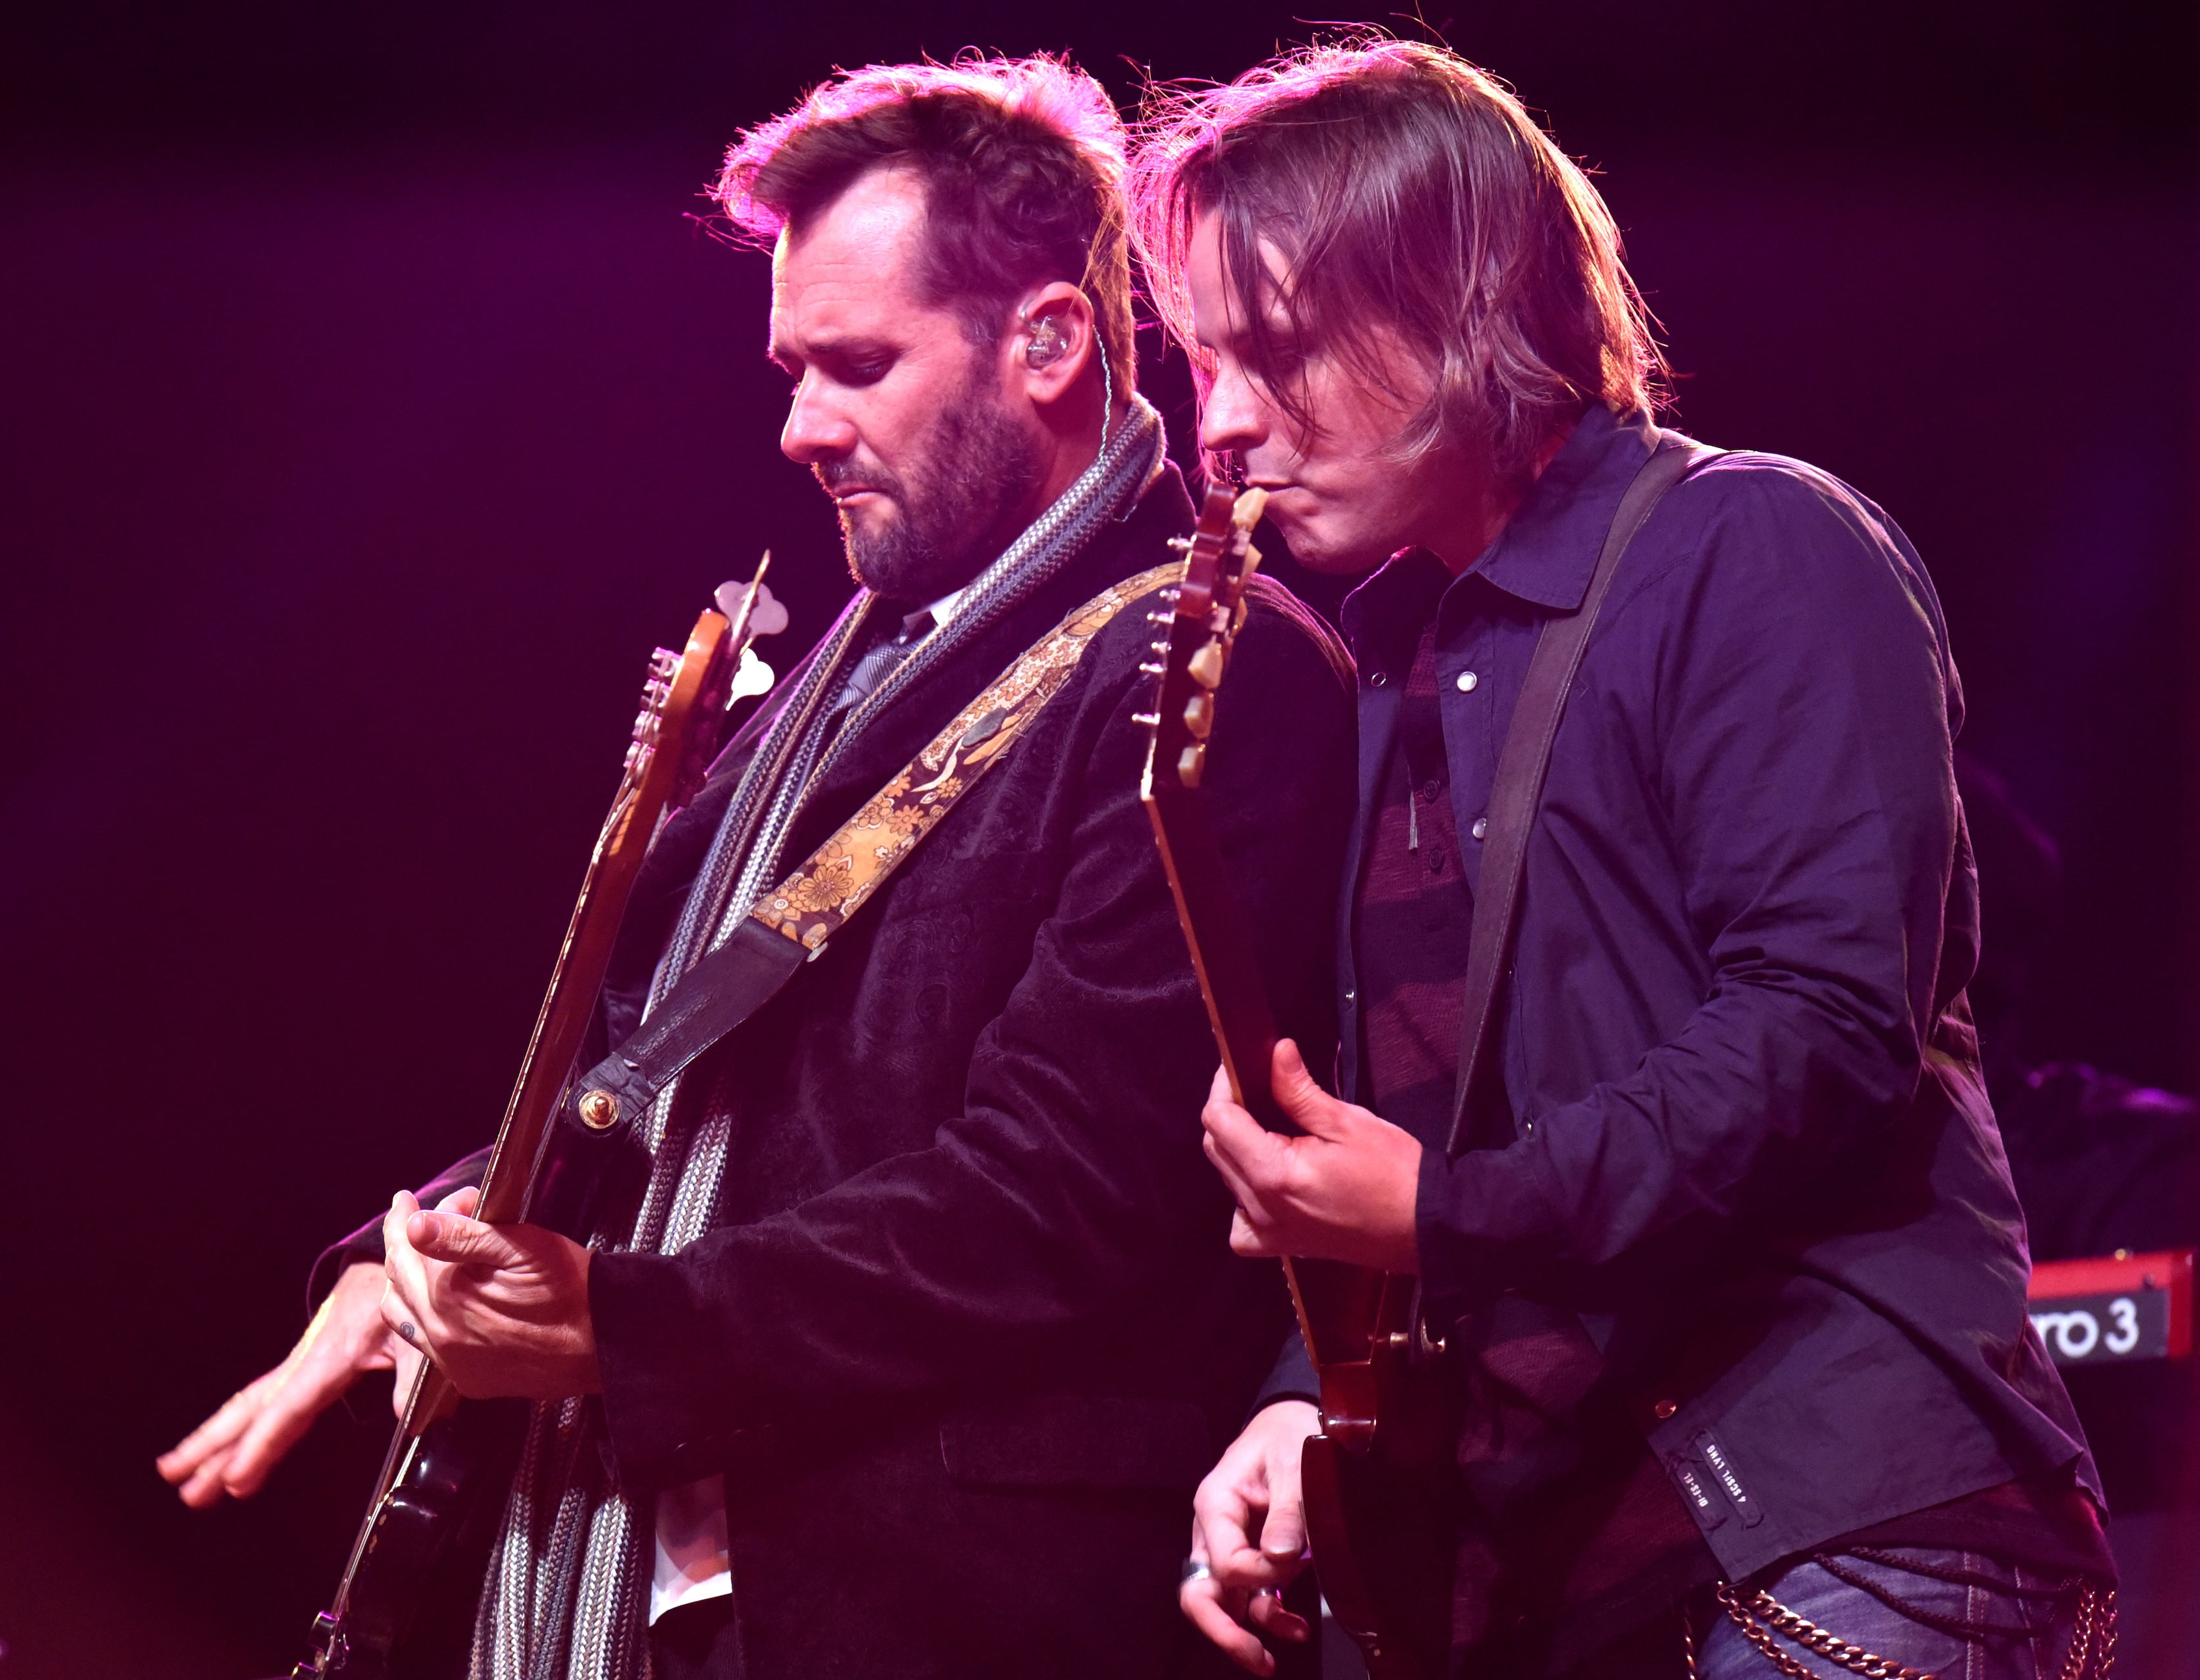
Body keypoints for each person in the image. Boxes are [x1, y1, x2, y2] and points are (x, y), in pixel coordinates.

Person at [158, 56, 1356, 1680]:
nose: (799, 428)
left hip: (961, 1612)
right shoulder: (849, 678)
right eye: (792, 368)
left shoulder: (1217, 664)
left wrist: (618, 1325)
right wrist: (423, 1254)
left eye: (857, 366)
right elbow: (654, 1065)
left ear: (1053, 342)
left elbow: (1072, 1191)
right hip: (685, 1584)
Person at [1125, 36, 2117, 1680]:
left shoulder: (1753, 543)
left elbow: (1816, 1030)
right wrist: (1300, 1407)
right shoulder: (1399, 673)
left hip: (1834, 1529)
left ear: (1457, 307)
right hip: (1565, 1578)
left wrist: (1440, 1208)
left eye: (1277, 351)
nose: (1219, 421)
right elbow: (1441, 1140)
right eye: (1205, 357)